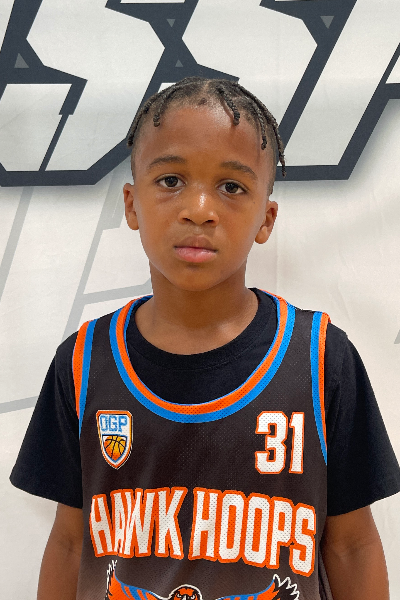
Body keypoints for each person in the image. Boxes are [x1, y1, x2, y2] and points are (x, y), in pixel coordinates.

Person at [10, 77, 400, 600]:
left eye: (232, 187)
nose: (198, 208)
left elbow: (352, 546)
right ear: (131, 204)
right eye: (171, 180)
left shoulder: (321, 358)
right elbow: (69, 542)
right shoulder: (83, 362)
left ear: (266, 218)